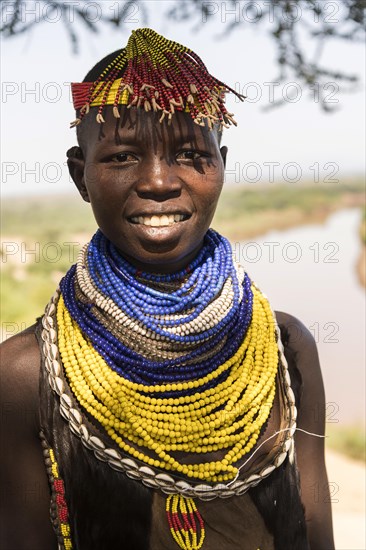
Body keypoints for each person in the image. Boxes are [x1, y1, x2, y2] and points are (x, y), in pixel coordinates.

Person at [0, 28, 334, 550]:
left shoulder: (285, 348)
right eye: (121, 157)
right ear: (80, 176)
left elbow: (317, 537)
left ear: (222, 164)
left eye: (188, 153)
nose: (158, 181)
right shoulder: (25, 375)